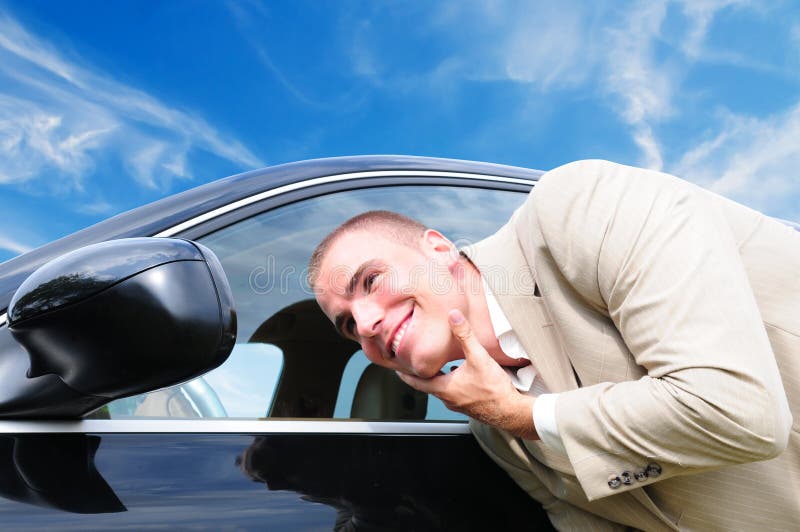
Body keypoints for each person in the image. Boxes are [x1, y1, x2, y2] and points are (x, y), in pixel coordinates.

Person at [310, 159, 799, 530]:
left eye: (371, 281)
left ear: (439, 250)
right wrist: (508, 419)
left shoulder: (579, 208)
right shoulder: (494, 432)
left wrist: (524, 416)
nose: (367, 323)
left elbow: (739, 411)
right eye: (348, 325)